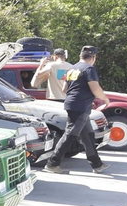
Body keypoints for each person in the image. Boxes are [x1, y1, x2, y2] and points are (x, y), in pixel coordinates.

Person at [46, 45, 107, 175]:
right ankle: (52, 163)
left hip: (73, 104)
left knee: (88, 135)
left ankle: (97, 164)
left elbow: (64, 89)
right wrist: (105, 99)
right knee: (70, 134)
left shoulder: (71, 68)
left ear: (80, 56)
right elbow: (95, 89)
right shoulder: (89, 69)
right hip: (80, 106)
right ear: (94, 57)